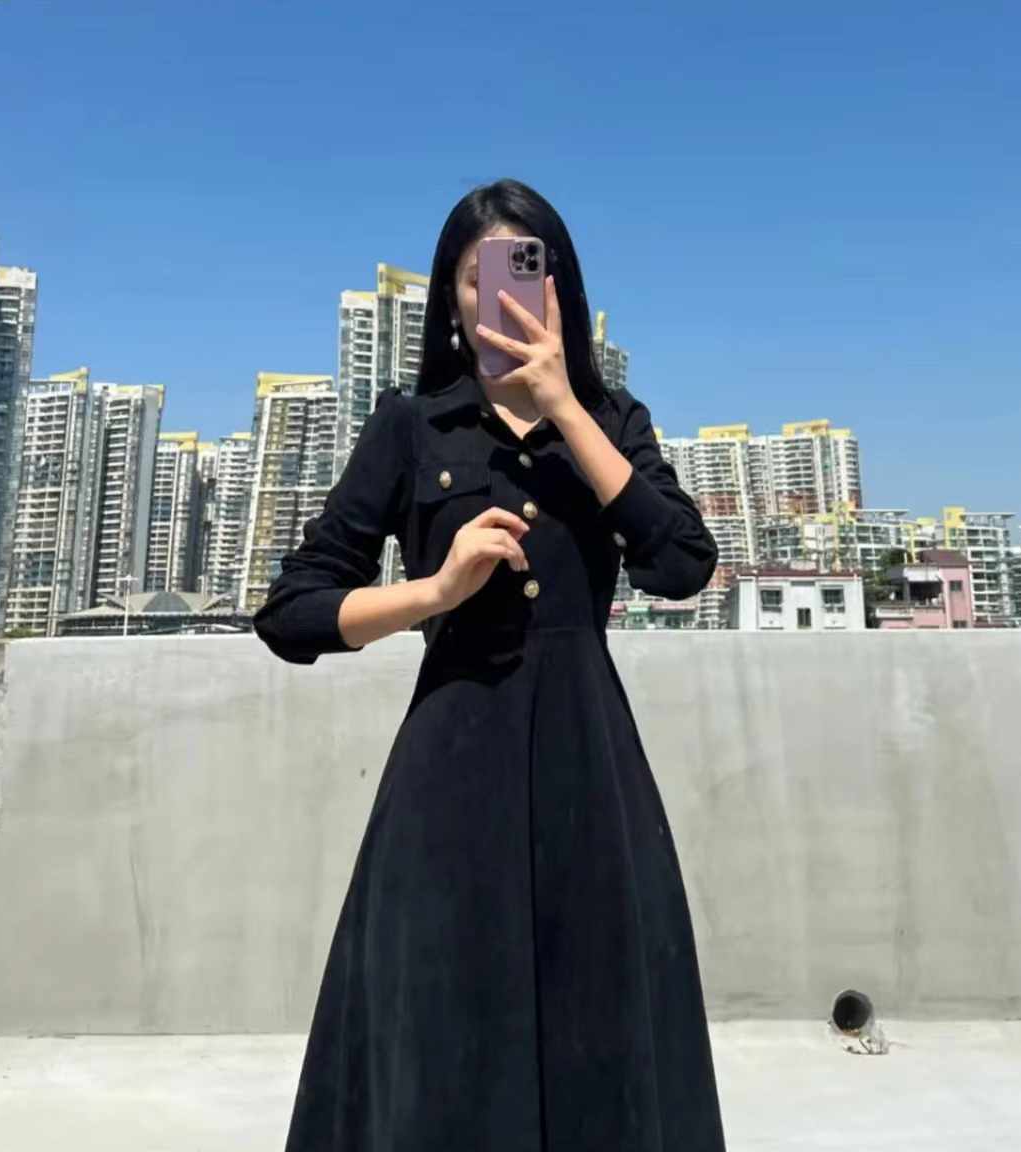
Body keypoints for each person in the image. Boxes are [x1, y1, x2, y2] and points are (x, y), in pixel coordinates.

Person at [254, 179, 725, 1151]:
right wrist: (433, 592)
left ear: (560, 290)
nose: (499, 295)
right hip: (450, 765)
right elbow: (291, 611)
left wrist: (564, 405)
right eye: (477, 278)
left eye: (523, 271)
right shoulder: (411, 425)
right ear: (451, 300)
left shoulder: (612, 421)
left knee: (598, 1022)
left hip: (589, 765)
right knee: (444, 1029)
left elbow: (683, 563)